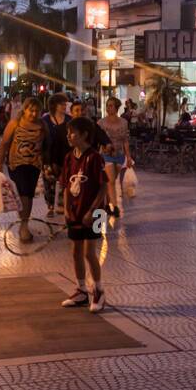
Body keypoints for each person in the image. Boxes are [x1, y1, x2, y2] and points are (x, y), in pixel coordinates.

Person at [59, 116, 110, 313]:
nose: (69, 136)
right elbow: (65, 186)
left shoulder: (95, 157)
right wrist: (65, 209)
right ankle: (81, 290)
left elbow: (104, 187)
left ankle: (98, 290)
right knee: (75, 252)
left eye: (73, 133)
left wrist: (92, 211)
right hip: (75, 212)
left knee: (90, 253)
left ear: (84, 135)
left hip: (96, 214)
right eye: (68, 133)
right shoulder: (68, 157)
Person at [0, 98, 49, 242]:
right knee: (23, 192)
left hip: (34, 165)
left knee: (28, 194)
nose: (33, 113)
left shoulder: (42, 125)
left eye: (37, 111)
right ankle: (24, 225)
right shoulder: (15, 123)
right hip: (17, 164)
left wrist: (46, 163)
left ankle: (24, 224)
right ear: (24, 110)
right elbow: (4, 144)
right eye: (31, 110)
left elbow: (46, 146)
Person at [98, 97, 132, 217]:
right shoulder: (101, 122)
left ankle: (107, 204)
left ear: (117, 107)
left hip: (119, 155)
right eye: (107, 105)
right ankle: (115, 206)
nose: (108, 108)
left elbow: (125, 140)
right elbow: (98, 140)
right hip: (106, 155)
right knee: (111, 181)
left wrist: (128, 157)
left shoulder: (123, 122)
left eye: (111, 105)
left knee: (110, 181)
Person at [41, 93, 72, 214]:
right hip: (49, 156)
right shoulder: (45, 119)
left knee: (65, 181)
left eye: (65, 104)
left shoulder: (69, 119)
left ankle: (62, 204)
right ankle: (50, 206)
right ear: (54, 105)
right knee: (49, 182)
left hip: (65, 155)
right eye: (62, 104)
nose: (64, 106)